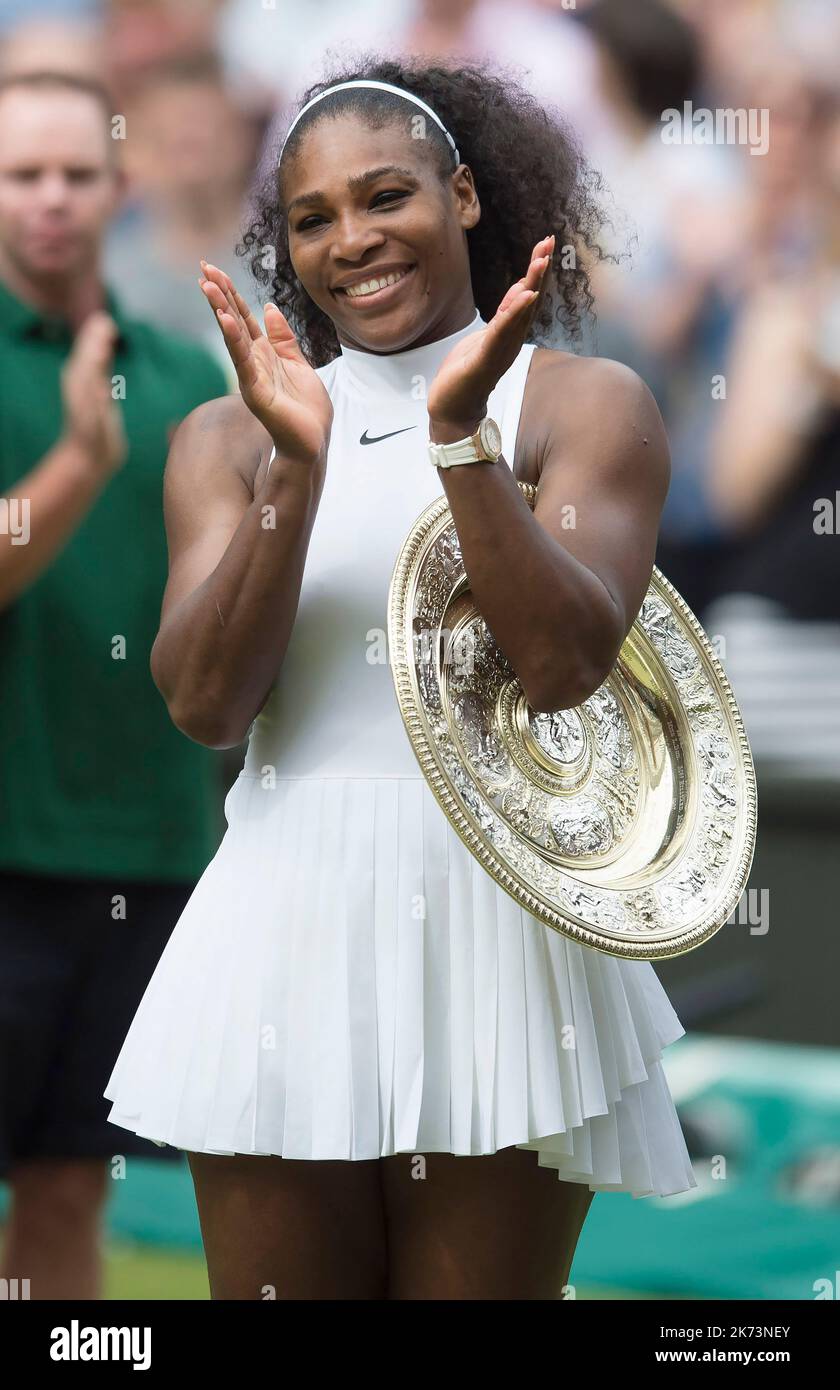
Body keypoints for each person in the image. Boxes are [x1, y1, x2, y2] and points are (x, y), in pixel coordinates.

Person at [104, 56, 698, 1302]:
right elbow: (206, 703)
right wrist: (296, 476)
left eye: (387, 198)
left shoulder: (586, 406)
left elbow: (562, 669)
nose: (353, 240)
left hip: (501, 934)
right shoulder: (231, 435)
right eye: (314, 218)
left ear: (467, 196)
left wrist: (460, 443)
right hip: (280, 924)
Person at [0, 70, 228, 1300]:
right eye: (22, 173)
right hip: (7, 844)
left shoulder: (188, 377)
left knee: (73, 1184)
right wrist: (84, 458)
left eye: (76, 174)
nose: (51, 200)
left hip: (147, 852)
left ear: (119, 188)